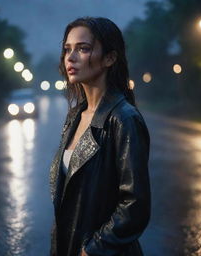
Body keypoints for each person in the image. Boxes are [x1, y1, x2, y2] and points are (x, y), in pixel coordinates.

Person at [49, 16, 151, 256]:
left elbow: (135, 206)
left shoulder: (124, 118)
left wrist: (94, 249)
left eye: (83, 49)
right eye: (67, 50)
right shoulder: (76, 115)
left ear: (110, 58)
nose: (70, 58)